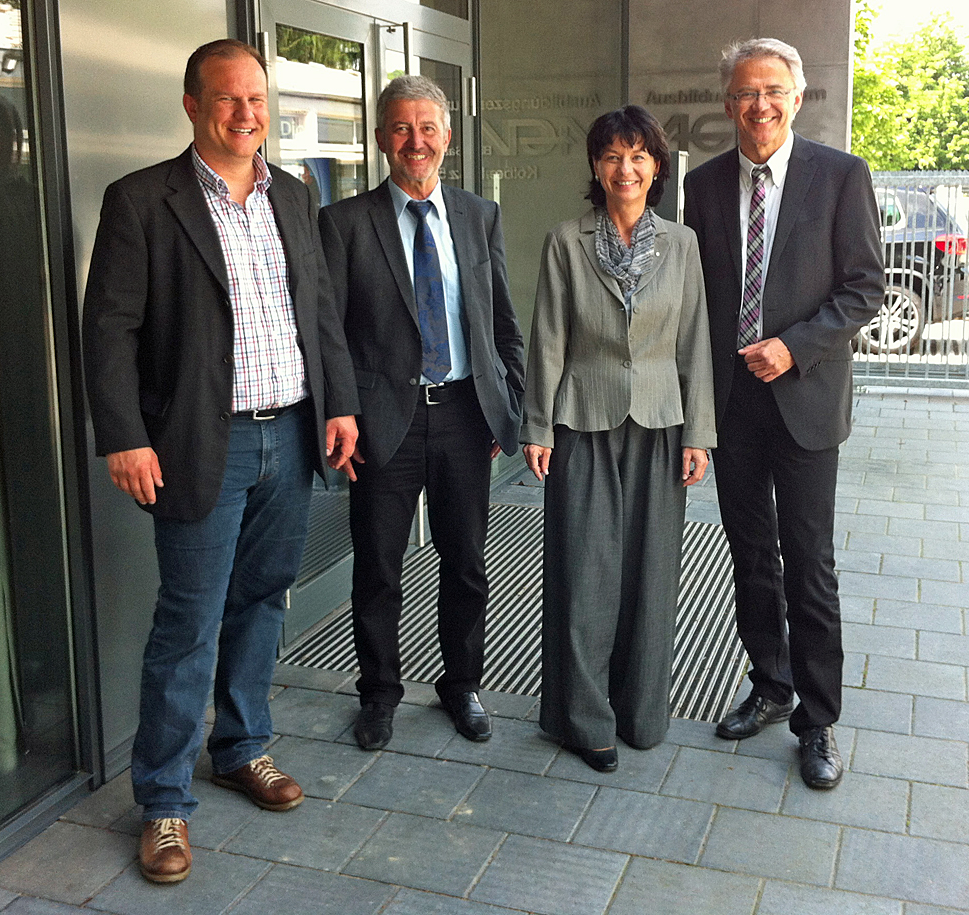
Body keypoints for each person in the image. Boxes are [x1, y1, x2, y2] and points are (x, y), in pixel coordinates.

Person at [81, 39, 360, 883]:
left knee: (262, 598)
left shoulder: (294, 194)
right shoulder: (142, 200)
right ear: (193, 105)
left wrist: (339, 402)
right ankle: (164, 800)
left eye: (258, 99)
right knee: (189, 619)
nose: (247, 114)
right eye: (229, 99)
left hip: (292, 430)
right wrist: (124, 434)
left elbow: (319, 309)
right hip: (203, 441)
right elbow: (110, 328)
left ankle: (241, 745)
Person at [683, 38, 884, 789]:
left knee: (810, 562)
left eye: (773, 91)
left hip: (806, 400)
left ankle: (818, 719)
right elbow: (697, 297)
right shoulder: (702, 185)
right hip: (733, 405)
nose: (759, 105)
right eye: (745, 92)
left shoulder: (841, 175)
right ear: (728, 103)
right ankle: (770, 684)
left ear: (797, 98)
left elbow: (865, 286)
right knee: (748, 554)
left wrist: (793, 347)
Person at [319, 75, 524, 751]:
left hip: (464, 414)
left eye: (428, 128)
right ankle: (379, 692)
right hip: (384, 424)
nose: (416, 141)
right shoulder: (345, 223)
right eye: (402, 128)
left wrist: (507, 402)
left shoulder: (479, 215)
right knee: (378, 566)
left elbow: (501, 320)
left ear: (447, 137)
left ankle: (462, 684)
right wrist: (343, 412)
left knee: (465, 561)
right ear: (382, 137)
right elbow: (330, 332)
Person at [521, 105, 716, 773]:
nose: (624, 168)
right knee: (583, 574)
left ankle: (641, 711)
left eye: (637, 156)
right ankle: (582, 718)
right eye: (611, 156)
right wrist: (538, 424)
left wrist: (699, 433)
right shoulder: (565, 241)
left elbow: (694, 342)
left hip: (660, 423)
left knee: (652, 575)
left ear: (657, 167)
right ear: (595, 167)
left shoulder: (682, 244)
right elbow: (548, 338)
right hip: (582, 420)